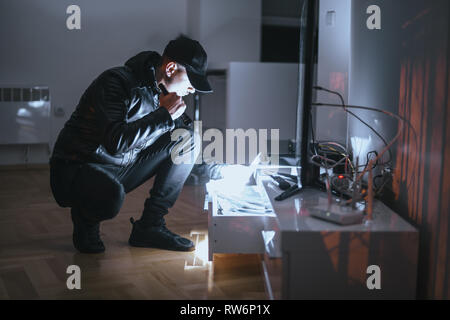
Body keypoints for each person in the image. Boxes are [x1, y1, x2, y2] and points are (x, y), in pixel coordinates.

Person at [49, 35, 212, 254]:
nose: (192, 90)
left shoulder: (163, 95)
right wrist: (164, 116)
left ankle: (150, 226)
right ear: (171, 68)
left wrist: (223, 170)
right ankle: (86, 218)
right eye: (191, 81)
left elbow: (186, 156)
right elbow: (115, 141)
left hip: (118, 168)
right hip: (77, 170)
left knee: (188, 138)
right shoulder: (116, 82)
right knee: (111, 193)